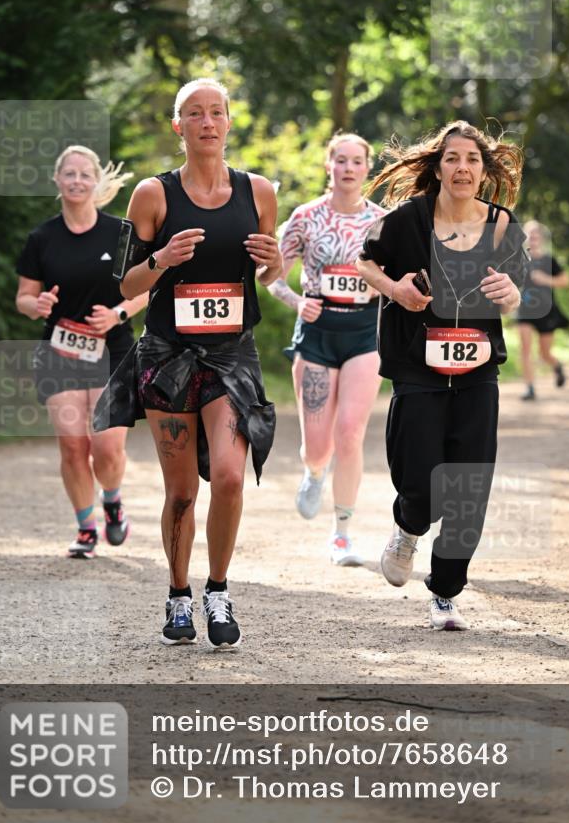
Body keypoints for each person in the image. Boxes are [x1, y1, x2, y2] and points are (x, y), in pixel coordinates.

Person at [94, 77, 281, 651]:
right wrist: (163, 258)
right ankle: (178, 594)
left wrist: (276, 265)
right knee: (181, 492)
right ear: (179, 126)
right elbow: (123, 282)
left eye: (216, 112)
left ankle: (217, 589)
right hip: (168, 358)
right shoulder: (153, 194)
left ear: (229, 123)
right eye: (194, 114)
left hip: (231, 356)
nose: (207, 122)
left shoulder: (260, 192)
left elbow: (270, 278)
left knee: (228, 477)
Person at [356, 121, 528, 631]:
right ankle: (408, 528)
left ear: (484, 169)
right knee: (422, 484)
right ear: (438, 167)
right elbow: (365, 265)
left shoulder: (501, 224)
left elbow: (519, 287)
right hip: (418, 367)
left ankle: (446, 593)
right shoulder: (405, 220)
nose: (462, 168)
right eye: (452, 158)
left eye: (472, 160)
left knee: (470, 486)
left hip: (477, 372)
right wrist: (396, 289)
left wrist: (512, 293)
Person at [16, 145, 148, 559]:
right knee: (74, 446)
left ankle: (112, 498)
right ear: (57, 181)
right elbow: (24, 296)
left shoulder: (119, 233)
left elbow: (145, 287)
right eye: (68, 174)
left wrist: (118, 313)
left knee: (106, 448)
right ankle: (85, 527)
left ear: (96, 182)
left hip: (113, 350)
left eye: (84, 174)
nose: (76, 180)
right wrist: (34, 306)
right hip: (60, 351)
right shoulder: (42, 238)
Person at [269, 133, 386, 566]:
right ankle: (314, 470)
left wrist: (386, 291)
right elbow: (270, 275)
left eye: (357, 161)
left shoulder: (382, 223)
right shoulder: (305, 218)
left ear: (366, 169)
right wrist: (298, 301)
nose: (349, 168)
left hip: (364, 333)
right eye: (341, 160)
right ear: (329, 166)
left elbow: (401, 277)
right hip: (317, 333)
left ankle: (342, 534)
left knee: (351, 432)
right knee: (318, 446)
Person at [517, 220, 569, 400]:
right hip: (524, 310)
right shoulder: (518, 259)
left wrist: (545, 279)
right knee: (525, 349)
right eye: (529, 234)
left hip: (546, 310)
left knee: (544, 353)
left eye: (535, 234)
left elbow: (565, 281)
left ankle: (556, 366)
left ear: (540, 237)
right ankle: (530, 388)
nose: (532, 238)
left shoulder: (549, 260)